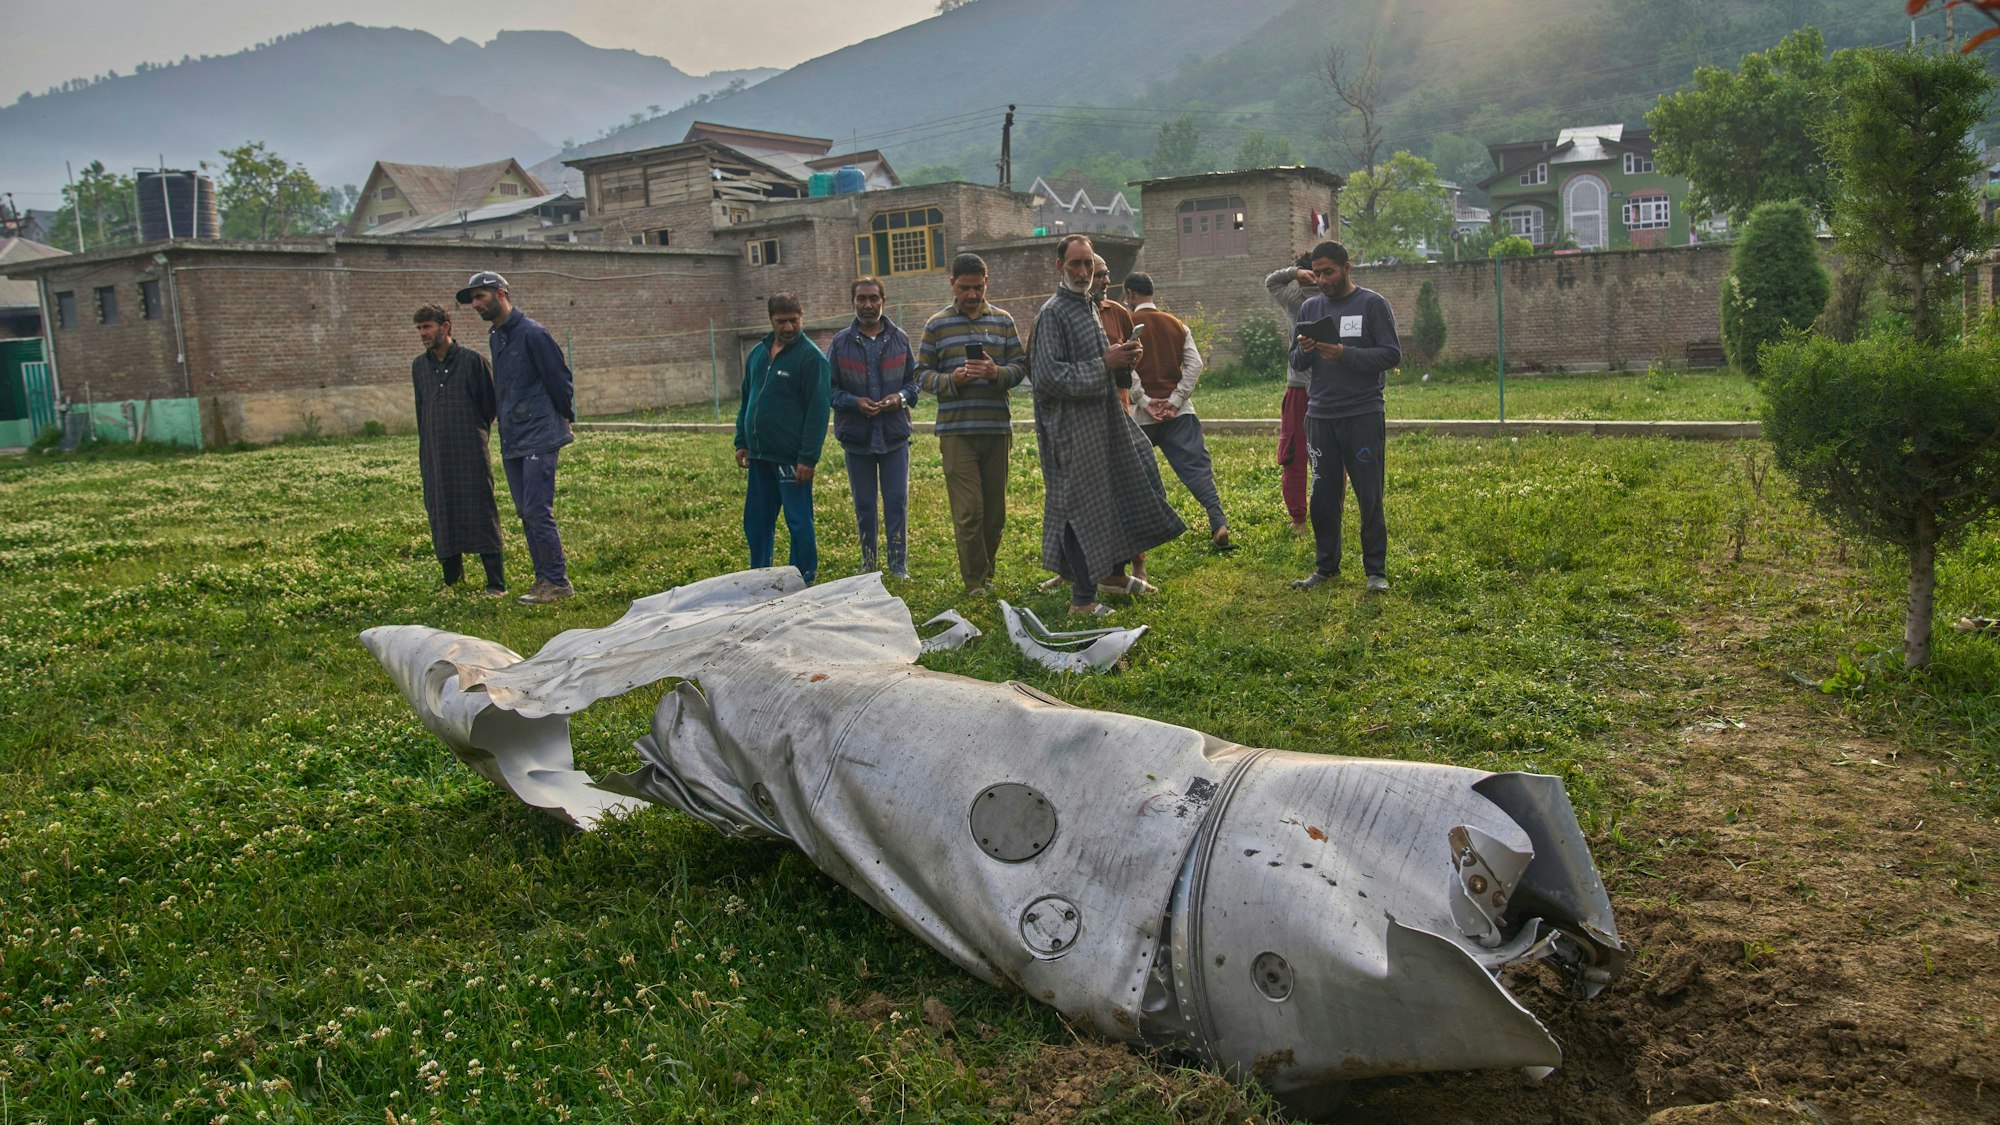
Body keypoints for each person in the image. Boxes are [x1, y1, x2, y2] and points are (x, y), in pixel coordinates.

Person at [1030, 234, 1185, 616]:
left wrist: (1124, 359)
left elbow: (1104, 364)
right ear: (1060, 267)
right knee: (1082, 508)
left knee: (1132, 474)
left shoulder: (1088, 306)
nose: (1083, 272)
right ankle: (1083, 599)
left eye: (1088, 265)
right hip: (1071, 430)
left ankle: (1113, 577)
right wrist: (1105, 362)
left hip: (1104, 420)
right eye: (1075, 265)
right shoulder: (1053, 313)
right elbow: (1048, 377)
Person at [1286, 241, 1401, 593]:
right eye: (1317, 273)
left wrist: (1345, 355)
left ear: (1347, 268)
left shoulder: (1371, 304)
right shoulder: (1311, 308)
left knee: (1369, 494)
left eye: (1328, 272)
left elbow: (1391, 355)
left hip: (1362, 414)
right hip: (1320, 416)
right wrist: (1305, 351)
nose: (1322, 280)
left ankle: (1375, 571)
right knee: (1322, 495)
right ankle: (1325, 568)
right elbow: (1295, 361)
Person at [457, 271, 575, 604]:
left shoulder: (533, 334)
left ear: (501, 293)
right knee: (525, 511)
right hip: (513, 437)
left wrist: (565, 418)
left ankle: (557, 582)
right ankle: (543, 580)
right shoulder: (497, 337)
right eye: (473, 300)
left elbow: (559, 379)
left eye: (480, 297)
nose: (476, 305)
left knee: (538, 509)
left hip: (540, 433)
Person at [915, 254, 1029, 595]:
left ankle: (986, 574)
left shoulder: (1004, 321)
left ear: (986, 283)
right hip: (957, 432)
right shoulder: (936, 325)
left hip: (996, 429)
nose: (971, 294)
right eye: (965, 288)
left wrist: (996, 373)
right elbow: (921, 374)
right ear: (952, 283)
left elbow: (1021, 367)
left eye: (977, 287)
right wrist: (953, 380)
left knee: (995, 515)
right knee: (969, 512)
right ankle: (975, 584)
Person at [1125, 272, 1233, 553]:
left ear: (1130, 295)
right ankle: (1218, 521)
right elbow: (1194, 365)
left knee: (1138, 473)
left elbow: (1128, 368)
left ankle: (1147, 534)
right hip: (1179, 413)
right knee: (1196, 468)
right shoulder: (1177, 325)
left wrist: (1145, 400)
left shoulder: (1129, 325)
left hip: (1142, 415)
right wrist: (1174, 399)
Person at [410, 304, 506, 597]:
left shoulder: (473, 361)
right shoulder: (419, 367)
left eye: (427, 327)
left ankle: (495, 583)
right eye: (420, 329)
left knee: (480, 509)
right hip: (435, 454)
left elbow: (491, 407)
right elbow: (421, 410)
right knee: (442, 510)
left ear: (446, 326)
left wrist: (470, 433)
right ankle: (452, 582)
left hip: (470, 451)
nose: (423, 334)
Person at [735, 292, 831, 584]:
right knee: (757, 521)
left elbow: (818, 411)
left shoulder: (811, 358)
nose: (788, 327)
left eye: (794, 320)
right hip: (759, 455)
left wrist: (808, 457)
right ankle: (759, 576)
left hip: (792, 459)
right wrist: (741, 440)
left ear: (801, 317)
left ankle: (801, 578)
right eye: (781, 321)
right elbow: (746, 398)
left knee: (798, 521)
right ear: (771, 321)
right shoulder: (758, 353)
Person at [828, 277, 918, 578]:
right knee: (864, 504)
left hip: (894, 436)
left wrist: (900, 398)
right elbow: (829, 390)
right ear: (853, 302)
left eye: (873, 299)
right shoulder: (840, 343)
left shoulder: (900, 339)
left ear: (883, 300)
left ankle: (898, 566)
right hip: (857, 438)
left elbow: (913, 385)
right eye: (861, 299)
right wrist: (855, 402)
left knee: (896, 503)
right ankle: (868, 563)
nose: (867, 305)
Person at [1267, 253, 1317, 533]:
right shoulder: (1338, 298)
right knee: (1332, 456)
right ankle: (1331, 510)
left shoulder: (1293, 298)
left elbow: (1271, 281)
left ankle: (1299, 520)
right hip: (1329, 387)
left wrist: (1294, 273)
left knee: (1294, 454)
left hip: (1299, 387)